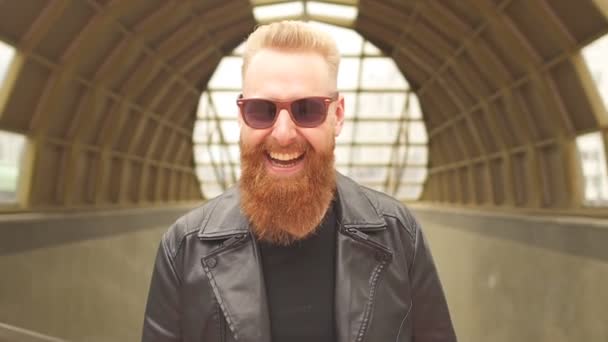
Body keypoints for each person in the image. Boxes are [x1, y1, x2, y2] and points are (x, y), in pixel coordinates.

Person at [142, 20, 457, 342]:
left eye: (307, 110)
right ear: (240, 116)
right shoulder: (183, 247)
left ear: (338, 115)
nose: (283, 134)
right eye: (261, 110)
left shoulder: (399, 235)